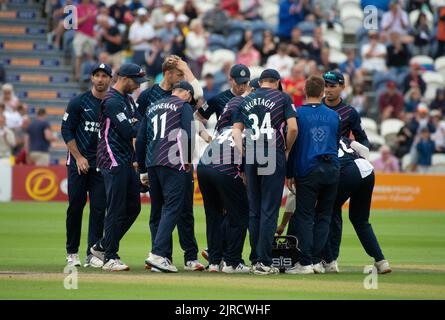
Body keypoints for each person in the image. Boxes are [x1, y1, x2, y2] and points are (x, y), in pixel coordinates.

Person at [137, 56, 204, 272]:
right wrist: (186, 160)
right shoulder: (183, 106)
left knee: (158, 209)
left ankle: (162, 256)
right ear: (186, 94)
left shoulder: (153, 105)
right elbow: (189, 134)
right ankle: (158, 254)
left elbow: (140, 139)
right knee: (176, 208)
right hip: (174, 163)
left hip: (153, 163)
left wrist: (143, 168)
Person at [233, 69, 298, 275]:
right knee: (269, 209)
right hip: (272, 152)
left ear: (260, 82)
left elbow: (236, 130)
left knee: (254, 210)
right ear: (277, 82)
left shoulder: (246, 99)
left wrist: (243, 151)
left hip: (251, 153)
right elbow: (293, 128)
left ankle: (255, 258)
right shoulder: (283, 97)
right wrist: (286, 149)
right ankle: (264, 261)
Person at [91, 63, 146, 271]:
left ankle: (103, 245)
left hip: (125, 160)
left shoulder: (128, 100)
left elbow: (141, 124)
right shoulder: (112, 100)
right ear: (124, 78)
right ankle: (110, 257)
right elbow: (128, 130)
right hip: (112, 159)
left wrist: (136, 125)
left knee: (134, 207)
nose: (138, 86)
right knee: (115, 208)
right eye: (136, 81)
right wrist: (136, 125)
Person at [285, 75, 339, 274]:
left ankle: (306, 263)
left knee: (305, 216)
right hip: (332, 169)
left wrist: (289, 173)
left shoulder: (298, 115)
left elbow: (293, 147)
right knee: (324, 216)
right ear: (323, 91)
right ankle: (317, 261)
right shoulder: (334, 116)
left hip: (308, 169)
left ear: (305, 92)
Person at [61, 63, 112, 268]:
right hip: (77, 164)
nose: (100, 79)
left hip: (101, 166)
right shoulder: (78, 102)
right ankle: (72, 252)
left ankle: (93, 253)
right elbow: (66, 130)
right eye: (97, 75)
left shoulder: (112, 103)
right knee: (75, 207)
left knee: (99, 209)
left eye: (104, 76)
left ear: (110, 79)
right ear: (92, 78)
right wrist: (79, 157)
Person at [197, 92, 251, 274]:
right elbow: (243, 154)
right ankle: (232, 263)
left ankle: (214, 261)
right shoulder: (246, 131)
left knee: (213, 215)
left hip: (203, 167)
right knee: (240, 215)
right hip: (224, 170)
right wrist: (243, 171)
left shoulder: (224, 130)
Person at [322, 137, 392, 274]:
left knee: (329, 212)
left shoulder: (319, 137)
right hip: (366, 169)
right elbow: (364, 149)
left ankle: (330, 261)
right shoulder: (342, 137)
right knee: (360, 220)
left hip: (347, 171)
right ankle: (381, 261)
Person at [322, 71, 369, 146]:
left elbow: (363, 140)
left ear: (342, 87)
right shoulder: (315, 107)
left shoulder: (350, 112)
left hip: (339, 156)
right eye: (325, 86)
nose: (327, 90)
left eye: (332, 86)